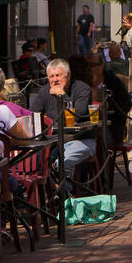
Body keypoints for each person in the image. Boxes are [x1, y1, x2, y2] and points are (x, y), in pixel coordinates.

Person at [30, 58, 95, 190]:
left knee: (62, 163)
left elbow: (79, 114)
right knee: (34, 161)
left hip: (81, 138)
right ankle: (48, 195)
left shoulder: (82, 89)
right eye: (51, 76)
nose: (55, 80)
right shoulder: (44, 91)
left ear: (68, 75)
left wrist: (62, 96)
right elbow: (33, 114)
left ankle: (64, 197)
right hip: (54, 141)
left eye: (58, 75)